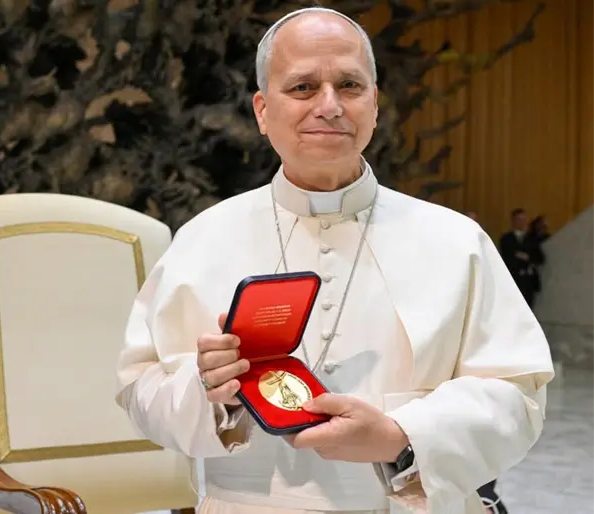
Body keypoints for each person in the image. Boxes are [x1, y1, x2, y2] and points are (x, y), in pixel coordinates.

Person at [114, 7, 554, 514]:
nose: (329, 106)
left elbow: (517, 395)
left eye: (349, 85)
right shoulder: (203, 238)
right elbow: (139, 389)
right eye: (302, 87)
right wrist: (212, 391)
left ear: (374, 104)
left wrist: (400, 436)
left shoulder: (457, 240)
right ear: (262, 110)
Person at [499, 209, 537, 307]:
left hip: (528, 280)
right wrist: (517, 256)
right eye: (519, 220)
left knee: (529, 306)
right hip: (514, 278)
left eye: (524, 220)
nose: (522, 222)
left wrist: (527, 257)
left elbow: (539, 257)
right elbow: (506, 256)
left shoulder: (531, 238)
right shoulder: (506, 238)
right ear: (513, 221)